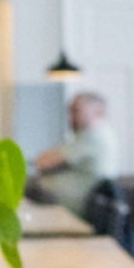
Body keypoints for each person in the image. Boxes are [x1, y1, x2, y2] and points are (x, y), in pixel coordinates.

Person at [28, 90, 120, 222]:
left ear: (97, 110)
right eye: (70, 111)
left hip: (80, 206)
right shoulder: (86, 135)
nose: (71, 117)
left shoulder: (94, 135)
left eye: (77, 111)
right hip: (65, 203)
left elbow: (43, 162)